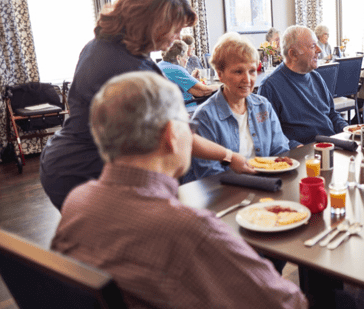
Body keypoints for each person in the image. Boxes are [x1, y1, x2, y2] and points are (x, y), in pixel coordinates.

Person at [51, 72, 307, 309]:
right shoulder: (189, 229)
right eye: (188, 126)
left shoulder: (77, 201)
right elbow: (287, 301)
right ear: (172, 135)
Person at [40, 0, 255, 210]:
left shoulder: (100, 46)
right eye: (176, 29)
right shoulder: (129, 68)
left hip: (64, 161)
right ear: (154, 24)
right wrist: (230, 157)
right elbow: (179, 135)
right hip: (85, 169)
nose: (177, 37)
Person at [184, 33, 289, 182]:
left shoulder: (263, 106)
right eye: (238, 71)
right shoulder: (205, 116)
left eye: (252, 71)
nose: (247, 80)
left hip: (268, 184)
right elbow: (210, 174)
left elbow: (280, 151)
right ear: (220, 74)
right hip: (227, 195)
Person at [258, 25, 348, 147]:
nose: (319, 50)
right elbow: (269, 134)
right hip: (303, 152)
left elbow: (332, 114)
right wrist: (296, 147)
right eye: (312, 46)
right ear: (293, 54)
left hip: (331, 145)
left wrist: (347, 130)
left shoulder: (316, 77)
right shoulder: (270, 86)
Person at [158, 40, 218, 110]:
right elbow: (203, 91)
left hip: (170, 108)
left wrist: (192, 78)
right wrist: (223, 85)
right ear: (178, 58)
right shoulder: (176, 69)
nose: (186, 60)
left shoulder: (161, 65)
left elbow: (189, 88)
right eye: (186, 57)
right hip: (185, 108)